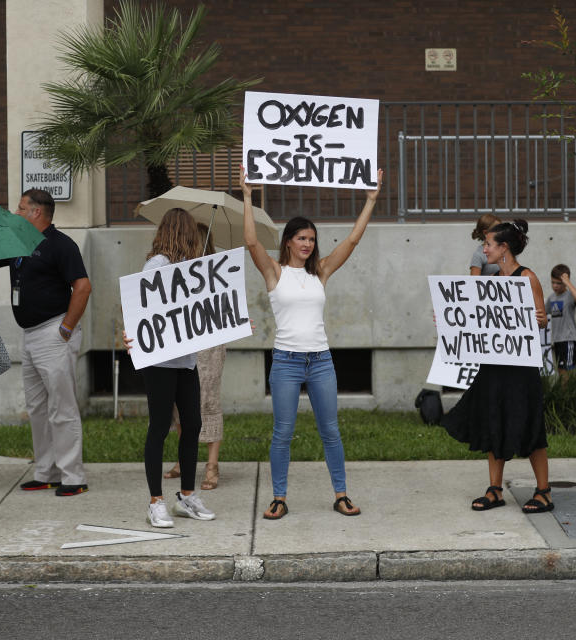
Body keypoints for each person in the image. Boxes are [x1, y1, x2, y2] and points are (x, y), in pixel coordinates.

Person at [239, 166, 383, 520]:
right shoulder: (274, 271)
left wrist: (371, 200)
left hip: (320, 361)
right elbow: (251, 242)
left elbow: (351, 241)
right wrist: (246, 196)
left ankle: (341, 494)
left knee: (330, 430)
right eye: (302, 238)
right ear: (288, 240)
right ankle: (279, 497)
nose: (308, 244)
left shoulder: (320, 272)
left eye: (312, 239)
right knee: (283, 432)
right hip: (286, 362)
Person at [442, 220, 553, 514]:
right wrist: (449, 319)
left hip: (520, 368)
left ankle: (544, 491)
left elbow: (540, 322)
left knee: (529, 425)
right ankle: (495, 489)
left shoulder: (527, 278)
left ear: (504, 247)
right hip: (494, 365)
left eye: (488, 244)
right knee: (493, 421)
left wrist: (540, 320)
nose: (484, 249)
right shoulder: (492, 281)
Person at [0, 189, 92, 497]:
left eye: (20, 207)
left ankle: (73, 476)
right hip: (30, 334)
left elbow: (83, 287)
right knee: (38, 407)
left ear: (36, 212)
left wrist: (66, 329)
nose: (16, 211)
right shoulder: (18, 242)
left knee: (62, 408)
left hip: (54, 333)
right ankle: (46, 471)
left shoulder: (61, 245)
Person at [126, 208, 216, 528]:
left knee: (191, 424)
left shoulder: (194, 268)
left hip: (185, 360)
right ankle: (156, 501)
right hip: (160, 362)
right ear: (184, 233)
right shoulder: (158, 265)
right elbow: (142, 307)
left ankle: (186, 496)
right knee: (160, 427)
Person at [162, 224, 226, 490]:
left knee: (207, 399)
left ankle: (212, 464)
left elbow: (226, 306)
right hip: (181, 343)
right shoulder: (174, 269)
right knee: (180, 402)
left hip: (209, 343)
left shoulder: (218, 272)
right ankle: (183, 460)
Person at [545, 264, 576, 376]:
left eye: (559, 283)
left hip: (568, 339)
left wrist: (567, 282)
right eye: (553, 282)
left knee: (568, 370)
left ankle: (571, 393)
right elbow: (543, 312)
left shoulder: (569, 296)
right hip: (557, 340)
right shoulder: (551, 298)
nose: (555, 286)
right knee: (561, 371)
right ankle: (564, 393)